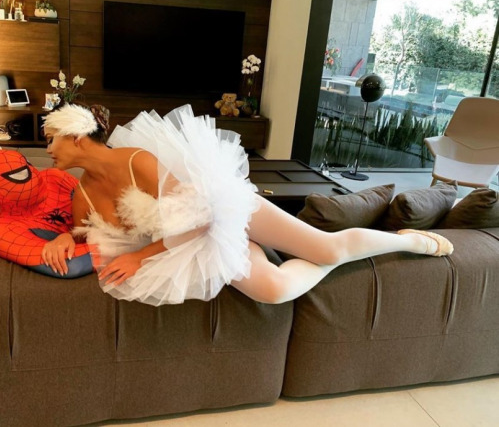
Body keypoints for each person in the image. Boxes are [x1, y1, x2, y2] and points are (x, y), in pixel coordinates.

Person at [41, 103, 453, 306]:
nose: (48, 149)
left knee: (327, 248)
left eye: (51, 139)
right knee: (273, 291)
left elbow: (202, 217)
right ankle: (334, 262)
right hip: (193, 244)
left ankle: (411, 241)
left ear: (76, 137)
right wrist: (63, 238)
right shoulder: (82, 193)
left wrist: (139, 258)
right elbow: (84, 235)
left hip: (224, 211)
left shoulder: (137, 161)